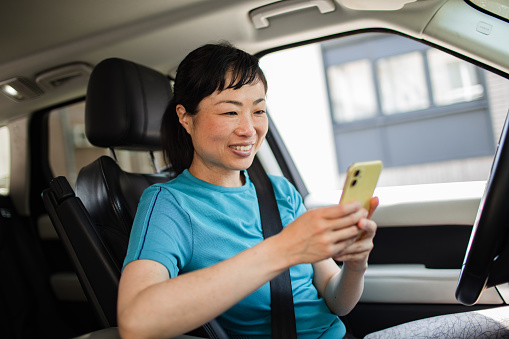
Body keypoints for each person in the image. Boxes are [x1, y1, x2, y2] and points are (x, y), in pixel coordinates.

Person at [117, 42, 379, 339]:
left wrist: (356, 265)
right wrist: (284, 249)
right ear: (185, 117)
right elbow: (135, 322)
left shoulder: (279, 191)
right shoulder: (168, 204)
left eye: (259, 110)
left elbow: (336, 301)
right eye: (230, 112)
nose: (249, 129)